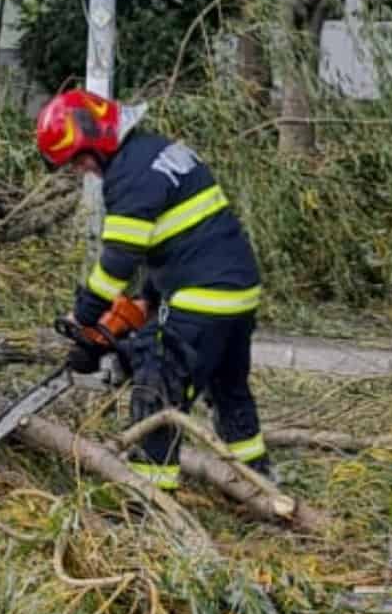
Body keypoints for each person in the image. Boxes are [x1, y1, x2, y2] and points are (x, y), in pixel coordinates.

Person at [33, 89, 267, 490]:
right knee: (229, 389)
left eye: (80, 160)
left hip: (201, 297)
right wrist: (147, 299)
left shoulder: (129, 177)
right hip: (236, 291)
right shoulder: (157, 152)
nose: (82, 170)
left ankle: (149, 502)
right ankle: (257, 481)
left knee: (155, 387)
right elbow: (177, 239)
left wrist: (83, 319)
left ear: (97, 141)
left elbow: (117, 262)